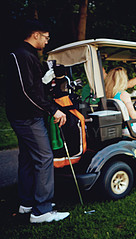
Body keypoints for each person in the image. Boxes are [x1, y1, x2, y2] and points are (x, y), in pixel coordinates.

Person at [5, 19, 70, 223]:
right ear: (36, 35)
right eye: (46, 37)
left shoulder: (28, 56)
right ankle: (41, 211)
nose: (47, 41)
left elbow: (33, 87)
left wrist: (45, 81)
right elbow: (26, 91)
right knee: (44, 158)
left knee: (27, 158)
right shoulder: (22, 55)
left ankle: (26, 204)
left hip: (25, 116)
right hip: (27, 117)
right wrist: (53, 110)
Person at [104, 66, 136, 131]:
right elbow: (134, 116)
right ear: (123, 79)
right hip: (130, 127)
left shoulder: (107, 94)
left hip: (119, 127)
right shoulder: (123, 94)